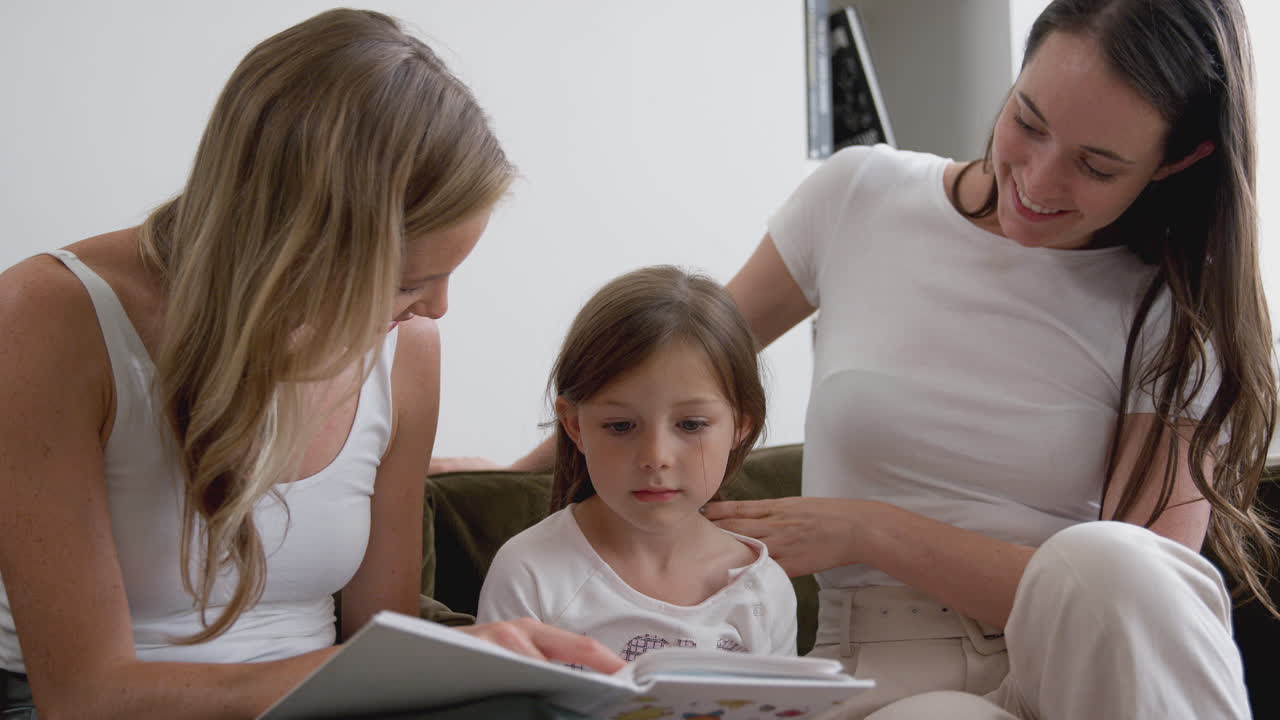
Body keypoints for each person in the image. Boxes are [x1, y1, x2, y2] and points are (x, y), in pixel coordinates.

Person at [450, 0, 1277, 717]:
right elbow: (670, 367)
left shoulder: (1173, 319)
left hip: (1082, 672)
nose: (1038, 176)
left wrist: (867, 527)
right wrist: (509, 477)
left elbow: (1138, 616)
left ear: (1178, 161)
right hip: (891, 677)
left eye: (1097, 165)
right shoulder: (860, 198)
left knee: (1123, 566)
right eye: (1027, 120)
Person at [0, 9, 622, 719]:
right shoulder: (49, 316)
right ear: (298, 245)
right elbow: (86, 698)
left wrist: (487, 660)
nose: (438, 310)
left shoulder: (407, 351)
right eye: (406, 283)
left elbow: (378, 640)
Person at [477, 266, 797, 661]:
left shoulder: (763, 588)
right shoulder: (530, 571)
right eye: (621, 425)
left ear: (741, 427)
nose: (655, 457)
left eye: (691, 424)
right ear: (575, 426)